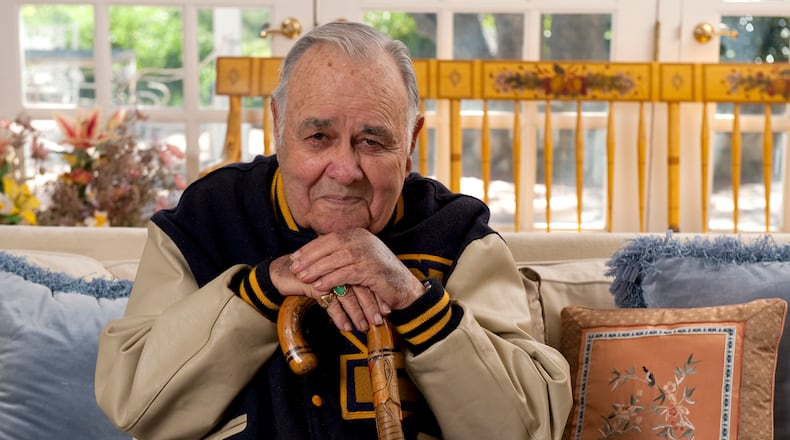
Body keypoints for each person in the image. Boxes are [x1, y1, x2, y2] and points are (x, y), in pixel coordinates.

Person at [95, 21, 572, 439]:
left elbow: (524, 429)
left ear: (410, 142)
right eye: (319, 136)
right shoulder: (207, 218)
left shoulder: (458, 234)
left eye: (372, 140)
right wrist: (261, 289)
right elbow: (135, 406)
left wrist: (414, 298)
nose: (345, 169)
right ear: (278, 125)